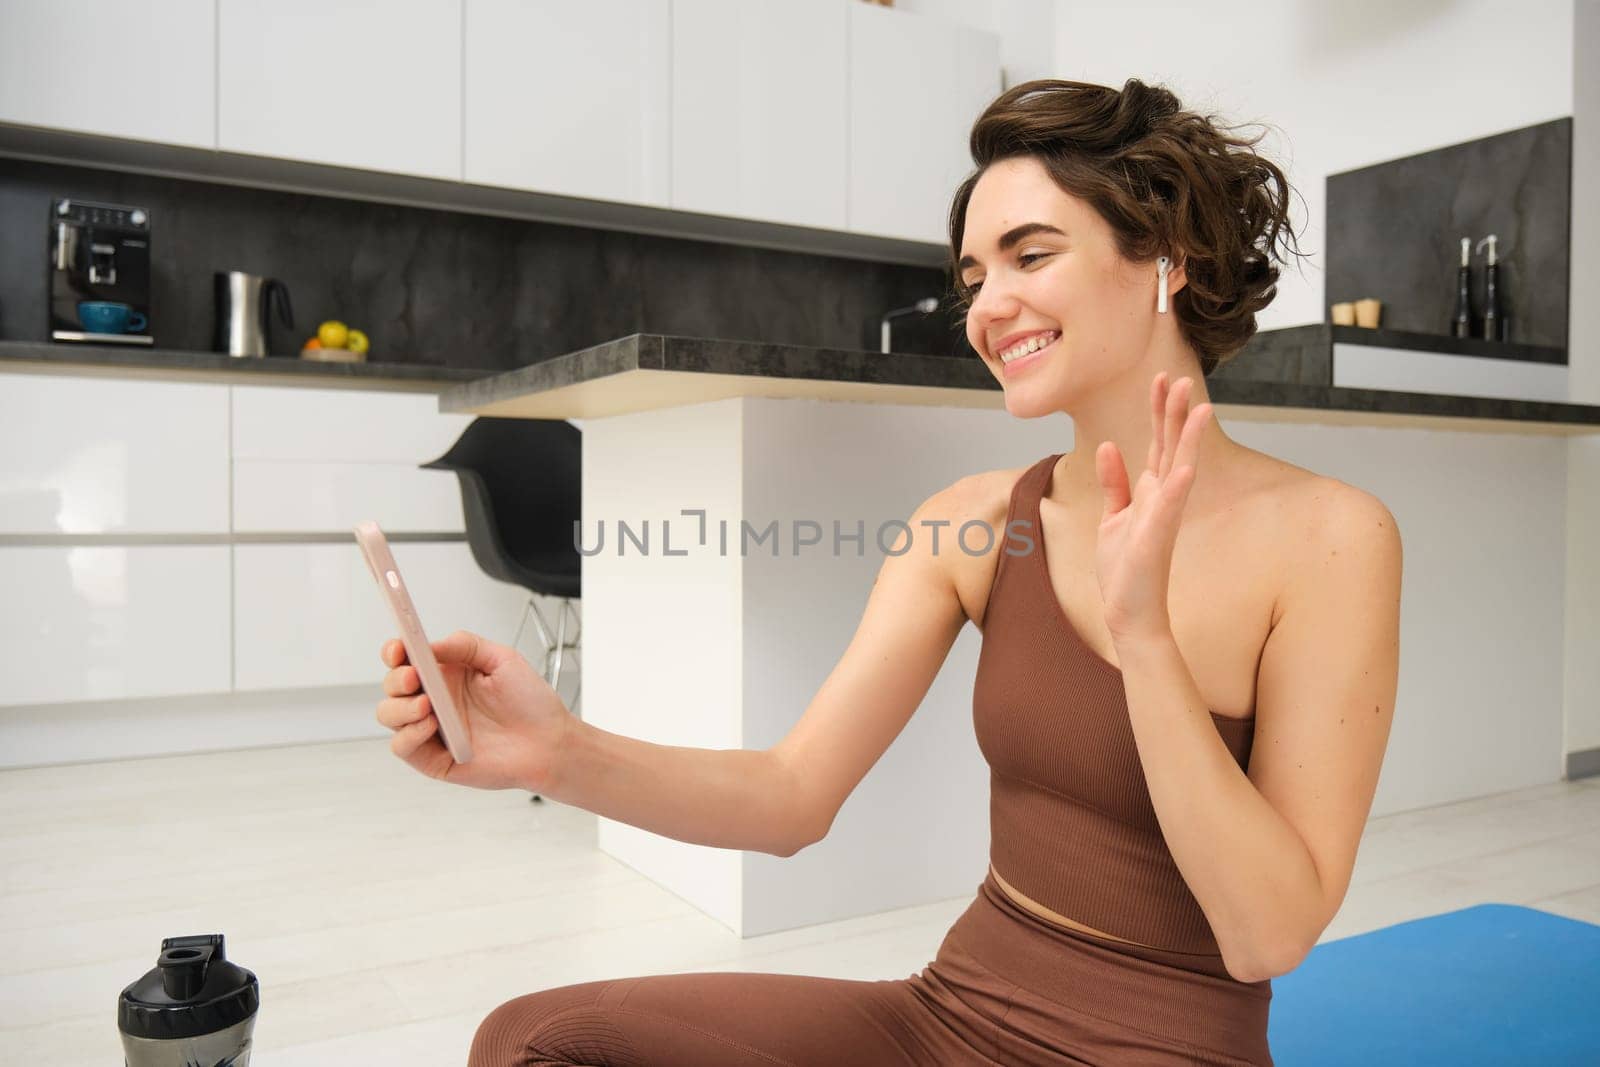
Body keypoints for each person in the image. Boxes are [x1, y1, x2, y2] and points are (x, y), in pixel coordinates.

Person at [375, 78, 1402, 1066]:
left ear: (1165, 258)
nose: (988, 307)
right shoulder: (972, 524)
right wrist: (553, 749)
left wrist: (1145, 637)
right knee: (532, 1041)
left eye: (1028, 256)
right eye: (971, 279)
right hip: (949, 1016)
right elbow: (789, 794)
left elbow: (1267, 935)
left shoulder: (1329, 538)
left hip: (1165, 1045)